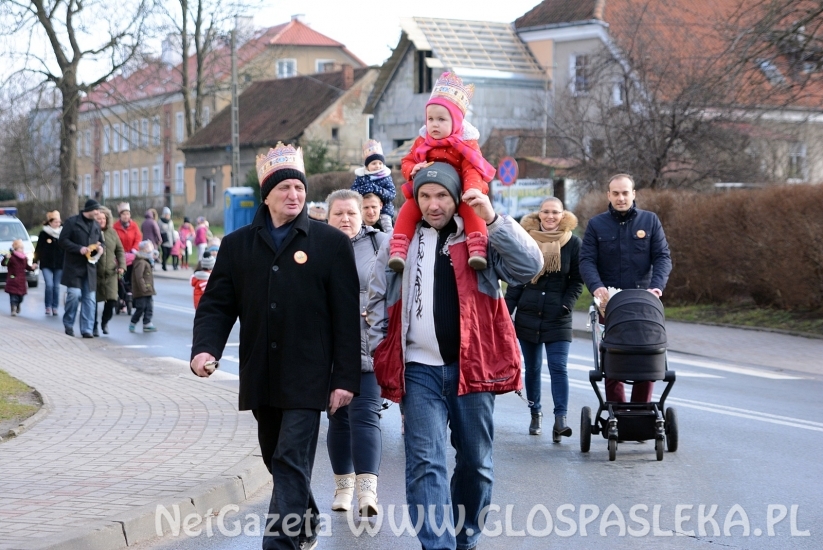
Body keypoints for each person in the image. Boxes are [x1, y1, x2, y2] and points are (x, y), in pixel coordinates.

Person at [189, 142, 361, 550]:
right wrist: (205, 348)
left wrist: (345, 378)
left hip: (309, 375)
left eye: (299, 188)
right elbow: (217, 304)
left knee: (288, 457)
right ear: (266, 195)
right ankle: (308, 517)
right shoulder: (237, 245)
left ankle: (279, 544)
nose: (293, 195)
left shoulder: (330, 244)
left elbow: (346, 318)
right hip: (262, 374)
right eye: (284, 188)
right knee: (275, 457)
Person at [367, 162, 542, 550]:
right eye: (425, 196)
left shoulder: (480, 237)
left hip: (471, 369)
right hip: (419, 371)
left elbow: (530, 266)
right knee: (425, 462)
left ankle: (466, 538)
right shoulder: (400, 241)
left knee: (476, 465)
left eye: (442, 196)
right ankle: (438, 545)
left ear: (457, 197)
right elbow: (378, 297)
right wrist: (381, 348)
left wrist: (493, 219)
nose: (434, 204)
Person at [388, 72, 497, 273]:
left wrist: (472, 190)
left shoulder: (466, 143)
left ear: (456, 121)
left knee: (472, 210)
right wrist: (412, 169)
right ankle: (398, 249)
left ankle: (477, 247)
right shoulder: (423, 141)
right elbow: (407, 160)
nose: (434, 124)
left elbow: (472, 168)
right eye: (430, 119)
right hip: (427, 188)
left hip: (458, 192)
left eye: (441, 119)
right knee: (408, 209)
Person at [579, 173, 672, 403]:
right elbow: (586, 260)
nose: (621, 198)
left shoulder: (650, 221)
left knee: (646, 355)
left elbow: (662, 257)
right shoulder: (596, 225)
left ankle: (641, 411)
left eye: (625, 193)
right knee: (613, 357)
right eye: (616, 193)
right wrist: (596, 287)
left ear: (633, 194)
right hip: (609, 304)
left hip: (643, 302)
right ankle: (618, 412)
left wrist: (656, 288)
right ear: (608, 195)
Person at [324, 189, 387, 517]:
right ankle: (343, 488)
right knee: (338, 418)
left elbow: (397, 289)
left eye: (352, 213)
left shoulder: (381, 244)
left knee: (365, 417)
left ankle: (367, 493)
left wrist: (379, 314)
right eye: (339, 213)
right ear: (327, 216)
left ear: (362, 215)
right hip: (330, 352)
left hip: (368, 346)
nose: (345, 219)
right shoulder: (315, 245)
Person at [505, 198, 583, 441]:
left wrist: (566, 304)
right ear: (539, 214)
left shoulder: (573, 243)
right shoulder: (525, 240)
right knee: (533, 368)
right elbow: (517, 279)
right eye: (546, 212)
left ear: (563, 215)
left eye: (555, 212)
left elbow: (577, 280)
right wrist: (505, 312)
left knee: (558, 367)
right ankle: (535, 412)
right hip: (528, 315)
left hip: (558, 316)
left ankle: (561, 420)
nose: (550, 216)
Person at [59, 199, 103, 338]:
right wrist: (79, 249)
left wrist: (101, 248)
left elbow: (101, 242)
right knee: (74, 295)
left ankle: (87, 329)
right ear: (89, 210)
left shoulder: (96, 225)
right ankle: (68, 324)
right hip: (74, 267)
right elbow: (63, 241)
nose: (98, 213)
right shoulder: (72, 222)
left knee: (90, 299)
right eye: (96, 210)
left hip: (90, 268)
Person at [351, 140, 395, 233]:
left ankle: (390, 237)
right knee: (359, 224)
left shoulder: (386, 177)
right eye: (374, 163)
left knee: (387, 225)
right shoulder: (362, 177)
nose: (377, 166)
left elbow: (391, 194)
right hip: (364, 206)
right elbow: (353, 192)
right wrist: (366, 189)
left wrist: (376, 189)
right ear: (367, 166)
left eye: (380, 163)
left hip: (385, 209)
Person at [94, 207, 125, 336]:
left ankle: (105, 322)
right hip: (95, 273)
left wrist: (122, 265)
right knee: (93, 302)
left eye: (103, 218)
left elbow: (120, 250)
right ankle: (93, 326)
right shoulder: (91, 232)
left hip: (111, 273)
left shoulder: (112, 233)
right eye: (98, 219)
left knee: (112, 300)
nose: (101, 221)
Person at [33, 210, 64, 316]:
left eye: (59, 222)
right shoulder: (44, 234)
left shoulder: (63, 233)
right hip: (46, 263)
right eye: (55, 222)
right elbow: (38, 248)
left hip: (59, 263)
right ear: (50, 222)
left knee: (56, 286)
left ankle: (55, 307)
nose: (58, 224)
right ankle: (48, 306)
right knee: (49, 285)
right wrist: (35, 261)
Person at [130, 240, 157, 333]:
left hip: (148, 289)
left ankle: (147, 323)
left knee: (149, 307)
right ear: (143, 249)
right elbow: (139, 276)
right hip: (142, 290)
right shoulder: (141, 262)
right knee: (141, 307)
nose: (151, 249)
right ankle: (133, 322)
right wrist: (143, 288)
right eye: (149, 247)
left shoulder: (146, 260)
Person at [3, 239, 35, 316]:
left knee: (21, 297)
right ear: (16, 249)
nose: (22, 249)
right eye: (20, 248)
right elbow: (4, 263)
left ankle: (17, 304)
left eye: (22, 248)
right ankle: (13, 309)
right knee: (13, 296)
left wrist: (32, 268)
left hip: (21, 281)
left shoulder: (24, 258)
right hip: (13, 279)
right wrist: (6, 258)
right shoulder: (11, 257)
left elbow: (27, 267)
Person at [157, 207, 177, 271]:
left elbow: (172, 231)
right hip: (164, 239)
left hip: (170, 239)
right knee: (165, 253)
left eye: (168, 214)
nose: (168, 216)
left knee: (169, 252)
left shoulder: (171, 222)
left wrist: (174, 239)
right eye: (166, 214)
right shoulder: (160, 221)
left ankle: (163, 262)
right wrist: (159, 239)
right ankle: (164, 265)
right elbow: (158, 231)